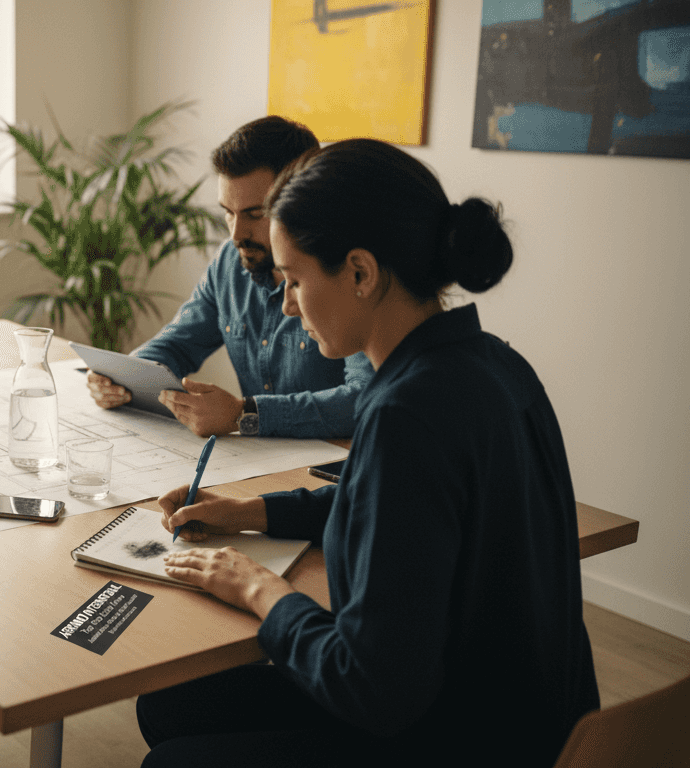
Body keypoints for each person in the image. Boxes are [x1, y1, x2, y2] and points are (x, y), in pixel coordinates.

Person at [136, 139, 599, 767]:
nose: (286, 303)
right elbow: (393, 514)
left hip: (454, 737)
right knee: (168, 705)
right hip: (538, 721)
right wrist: (250, 511)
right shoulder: (495, 363)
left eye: (295, 279)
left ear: (360, 272)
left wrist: (257, 589)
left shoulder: (405, 414)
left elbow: (371, 689)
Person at [87, 116, 374, 438]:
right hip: (256, 459)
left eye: (255, 214)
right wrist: (121, 378)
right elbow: (178, 344)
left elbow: (365, 398)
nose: (237, 233)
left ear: (302, 199)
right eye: (227, 212)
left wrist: (246, 414)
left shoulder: (344, 273)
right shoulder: (231, 260)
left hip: (334, 465)